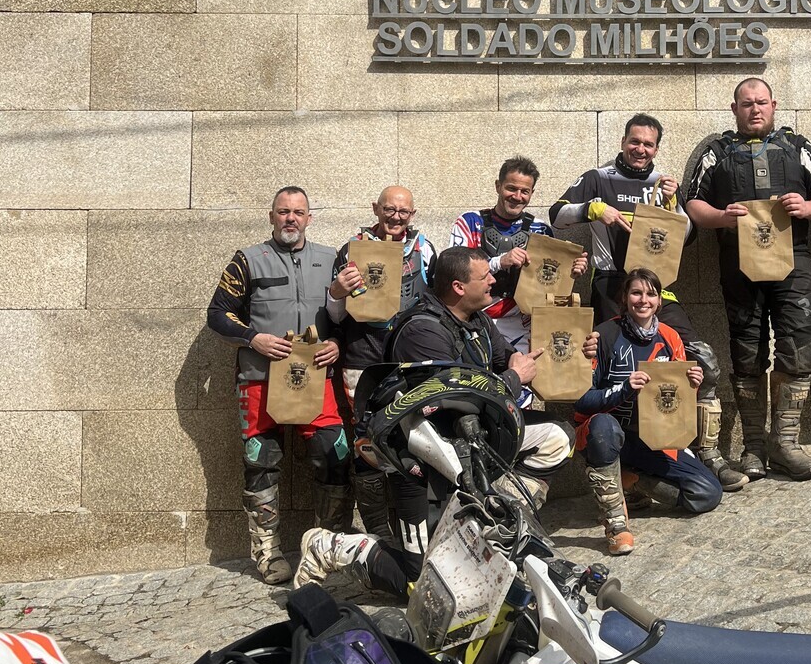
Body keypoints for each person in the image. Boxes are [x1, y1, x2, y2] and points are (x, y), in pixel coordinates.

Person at [293, 247, 574, 593]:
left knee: (557, 436)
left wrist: (565, 355)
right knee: (422, 585)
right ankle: (333, 547)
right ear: (458, 287)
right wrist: (514, 379)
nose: (493, 280)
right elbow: (455, 399)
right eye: (485, 276)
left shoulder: (478, 320)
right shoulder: (420, 331)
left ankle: (493, 518)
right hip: (421, 460)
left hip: (472, 445)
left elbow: (507, 358)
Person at [550, 115, 746, 491]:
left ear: (657, 148)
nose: (640, 149)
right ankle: (622, 468)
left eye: (648, 144)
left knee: (700, 360)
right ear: (624, 141)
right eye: (634, 141)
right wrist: (593, 209)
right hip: (612, 287)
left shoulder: (663, 184)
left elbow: (686, 236)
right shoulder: (598, 177)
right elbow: (556, 215)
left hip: (658, 289)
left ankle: (707, 453)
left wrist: (674, 204)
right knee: (612, 373)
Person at [686, 78, 811, 481]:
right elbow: (692, 202)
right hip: (739, 264)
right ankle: (753, 446)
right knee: (746, 350)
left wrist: (807, 207)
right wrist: (720, 217)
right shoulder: (713, 151)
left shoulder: (799, 147)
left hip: (794, 262)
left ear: (774, 105)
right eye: (747, 103)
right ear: (734, 108)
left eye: (762, 103)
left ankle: (785, 443)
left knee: (798, 345)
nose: (755, 110)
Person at [205, 186, 344, 586]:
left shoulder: (330, 259)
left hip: (317, 380)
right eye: (283, 212)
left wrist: (337, 343)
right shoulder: (248, 259)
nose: (291, 219)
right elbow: (217, 314)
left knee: (333, 453)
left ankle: (327, 548)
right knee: (261, 461)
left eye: (298, 212)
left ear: (309, 218)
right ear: (271, 216)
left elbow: (346, 315)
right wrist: (252, 338)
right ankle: (267, 553)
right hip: (260, 378)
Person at [575, 268, 721, 556]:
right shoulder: (604, 334)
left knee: (707, 493)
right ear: (625, 298)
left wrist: (691, 385)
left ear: (659, 301)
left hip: (653, 437)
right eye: (636, 293)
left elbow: (674, 401)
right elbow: (581, 401)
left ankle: (634, 481)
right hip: (606, 434)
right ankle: (616, 524)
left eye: (651, 294)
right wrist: (624, 388)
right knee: (604, 426)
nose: (644, 300)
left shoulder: (670, 337)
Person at [326, 186, 436, 537]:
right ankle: (377, 530)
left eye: (404, 212)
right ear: (376, 208)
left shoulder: (425, 249)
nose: (396, 217)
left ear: (413, 214)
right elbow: (333, 315)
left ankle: (415, 524)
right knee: (366, 442)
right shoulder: (350, 250)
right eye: (389, 209)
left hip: (411, 357)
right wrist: (336, 292)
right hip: (364, 356)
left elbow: (436, 302)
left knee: (417, 436)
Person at [450, 155, 588, 366]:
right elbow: (453, 271)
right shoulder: (469, 221)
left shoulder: (541, 230)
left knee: (519, 389)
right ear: (498, 186)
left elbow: (550, 288)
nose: (517, 196)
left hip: (522, 325)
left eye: (525, 191)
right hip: (474, 319)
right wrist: (499, 261)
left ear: (532, 193)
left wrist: (570, 273)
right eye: (511, 188)